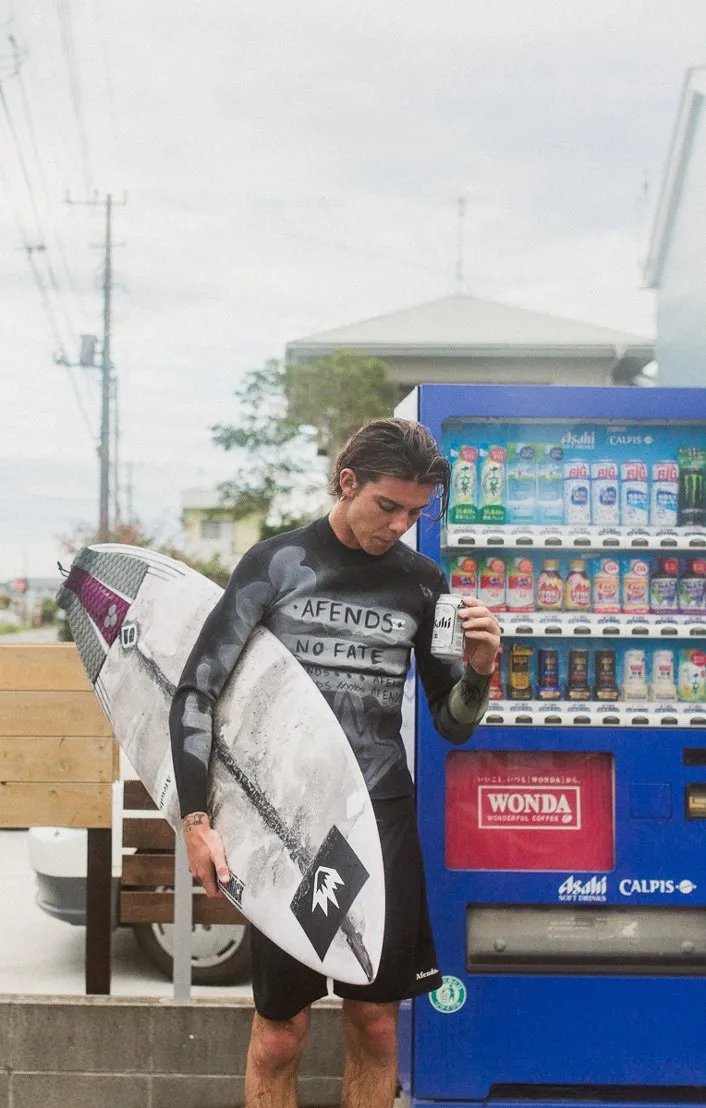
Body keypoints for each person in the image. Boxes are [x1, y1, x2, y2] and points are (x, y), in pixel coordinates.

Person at [169, 417, 501, 1108]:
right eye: (388, 506)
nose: (401, 525)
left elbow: (452, 724)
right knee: (280, 1034)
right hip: (286, 826)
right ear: (347, 482)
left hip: (379, 822)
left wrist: (479, 671)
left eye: (416, 511)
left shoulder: (423, 582)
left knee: (377, 1025)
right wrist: (196, 820)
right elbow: (198, 690)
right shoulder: (277, 564)